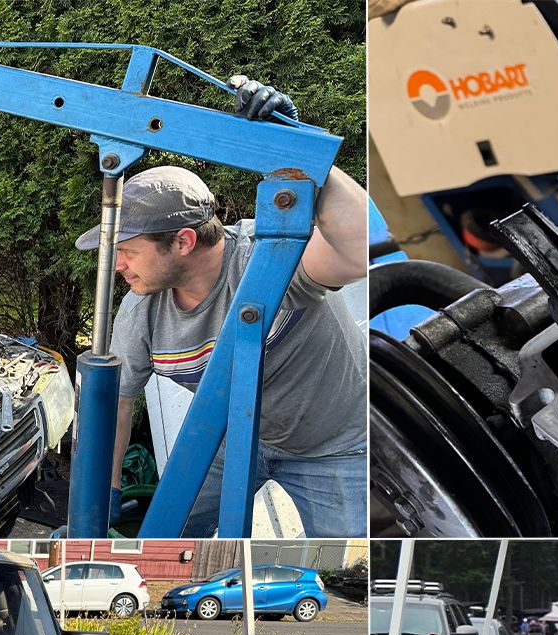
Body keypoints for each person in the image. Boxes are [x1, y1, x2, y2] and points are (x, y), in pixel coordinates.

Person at [80, 79, 369, 537]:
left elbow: (362, 248)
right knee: (162, 534)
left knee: (347, 551)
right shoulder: (141, 310)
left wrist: (298, 150)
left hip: (335, 444)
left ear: (183, 241)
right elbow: (116, 401)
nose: (115, 266)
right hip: (233, 436)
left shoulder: (269, 257)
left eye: (126, 250)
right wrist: (103, 496)